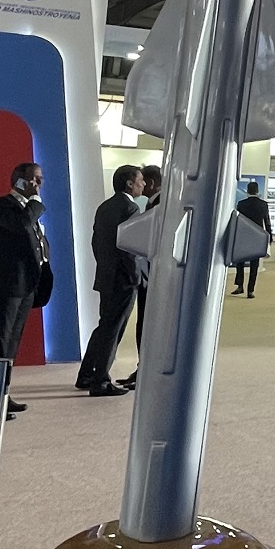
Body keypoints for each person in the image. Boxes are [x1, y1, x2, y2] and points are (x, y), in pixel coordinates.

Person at [0, 163, 52, 420]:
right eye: (34, 179)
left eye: (40, 179)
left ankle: (2, 395)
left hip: (25, 288)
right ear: (20, 181)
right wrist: (35, 202)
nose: (39, 184)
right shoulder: (4, 206)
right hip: (5, 287)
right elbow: (22, 225)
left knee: (10, 347)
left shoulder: (27, 209)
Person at [75, 165, 145, 396]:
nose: (143, 184)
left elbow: (96, 243)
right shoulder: (130, 208)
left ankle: (86, 374)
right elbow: (129, 247)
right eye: (140, 180)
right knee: (113, 330)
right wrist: (135, 277)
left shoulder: (104, 207)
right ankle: (101, 381)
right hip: (123, 279)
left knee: (104, 326)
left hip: (106, 276)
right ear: (129, 183)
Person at [121, 164, 162, 390]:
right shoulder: (153, 203)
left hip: (154, 275)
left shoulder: (161, 204)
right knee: (144, 323)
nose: (143, 185)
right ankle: (142, 368)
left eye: (145, 182)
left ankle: (147, 371)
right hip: (148, 274)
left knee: (149, 324)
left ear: (152, 183)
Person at [232, 181, 272, 298]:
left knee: (240, 261)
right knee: (255, 264)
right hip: (257, 236)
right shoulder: (263, 204)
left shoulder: (241, 204)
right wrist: (269, 236)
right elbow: (267, 222)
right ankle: (250, 290)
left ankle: (240, 286)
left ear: (247, 191)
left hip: (243, 235)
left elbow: (238, 220)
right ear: (257, 191)